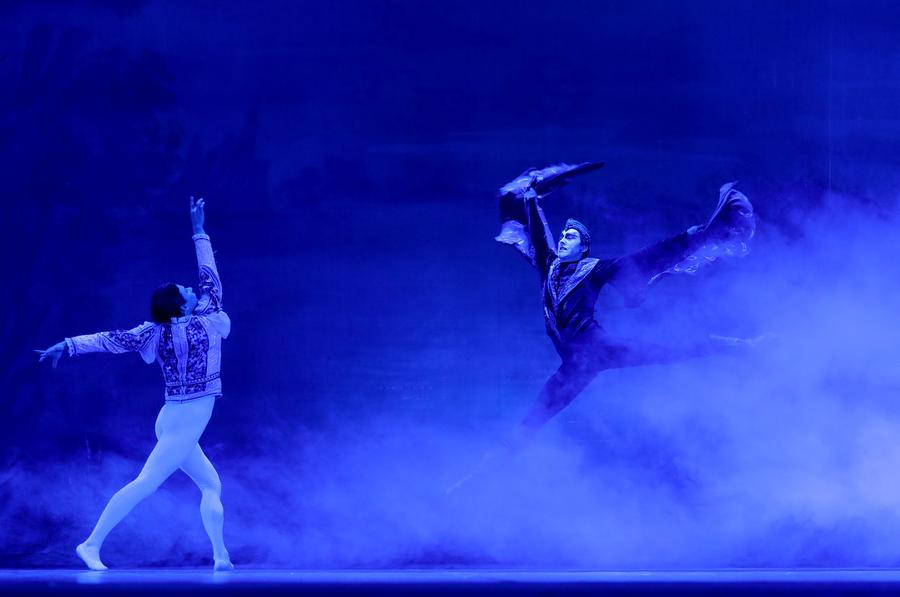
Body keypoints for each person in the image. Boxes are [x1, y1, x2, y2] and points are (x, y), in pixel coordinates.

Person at [448, 164, 757, 492]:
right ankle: (474, 480)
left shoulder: (591, 269)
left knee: (673, 346)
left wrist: (690, 241)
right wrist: (531, 197)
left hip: (599, 350)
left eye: (572, 237)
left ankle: (740, 337)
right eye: (563, 235)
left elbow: (638, 262)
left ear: (583, 249)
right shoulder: (550, 268)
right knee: (530, 422)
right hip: (574, 367)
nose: (564, 239)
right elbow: (539, 238)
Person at [36, 197, 234, 572]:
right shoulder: (205, 317)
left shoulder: (155, 331)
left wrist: (69, 344)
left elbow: (108, 339)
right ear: (181, 306)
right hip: (182, 420)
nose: (194, 291)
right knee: (146, 483)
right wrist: (198, 232)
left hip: (175, 418)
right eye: (186, 292)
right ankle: (90, 544)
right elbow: (211, 276)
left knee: (211, 485)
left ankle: (221, 556)